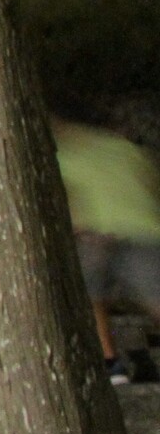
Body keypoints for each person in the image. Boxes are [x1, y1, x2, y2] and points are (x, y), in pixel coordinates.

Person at [56, 119, 160, 384]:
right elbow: (151, 184)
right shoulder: (126, 149)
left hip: (99, 234)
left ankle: (111, 363)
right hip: (144, 230)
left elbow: (70, 197)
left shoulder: (64, 153)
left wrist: (78, 226)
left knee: (91, 296)